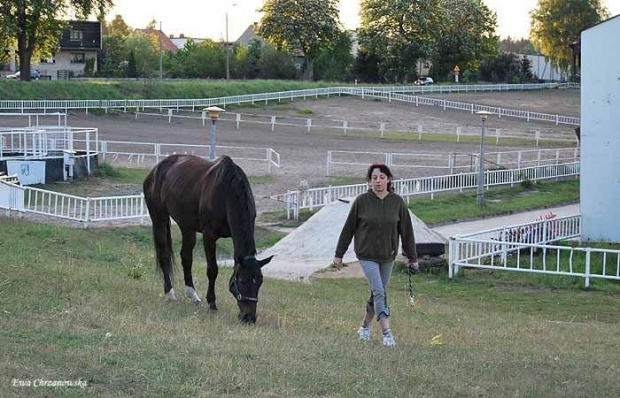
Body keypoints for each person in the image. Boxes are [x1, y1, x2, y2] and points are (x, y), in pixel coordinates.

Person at [333, 163, 418, 347]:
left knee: (376, 293)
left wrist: (413, 258)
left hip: (388, 256)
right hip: (366, 255)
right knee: (380, 291)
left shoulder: (397, 202)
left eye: (381, 177)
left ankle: (364, 327)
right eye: (374, 178)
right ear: (369, 181)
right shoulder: (362, 201)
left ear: (389, 180)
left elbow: (407, 231)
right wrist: (339, 254)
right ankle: (387, 333)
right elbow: (348, 229)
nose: (378, 181)